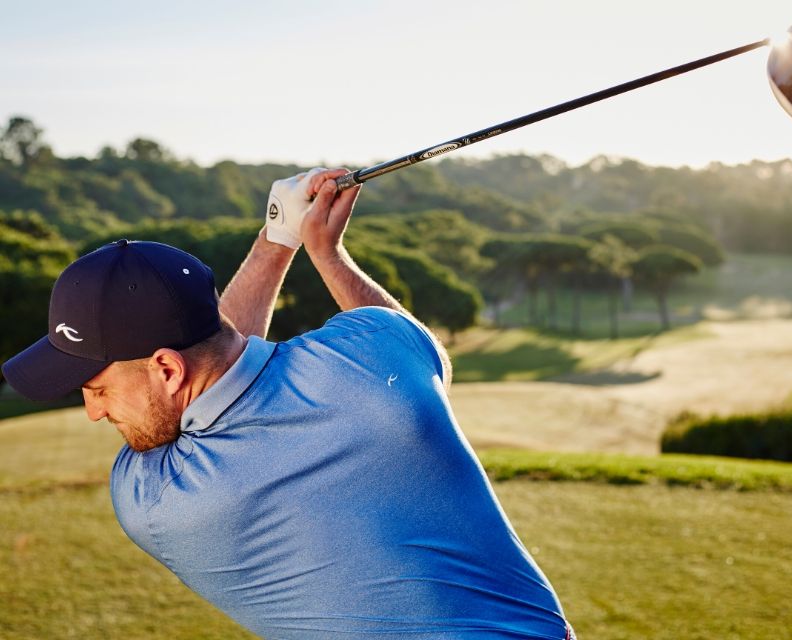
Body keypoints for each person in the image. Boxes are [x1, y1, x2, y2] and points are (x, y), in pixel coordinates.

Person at [2, 168, 573, 640]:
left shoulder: (157, 502)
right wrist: (323, 251)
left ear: (167, 369)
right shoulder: (379, 356)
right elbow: (405, 342)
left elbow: (213, 371)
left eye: (98, 388)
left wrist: (275, 243)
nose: (94, 411)